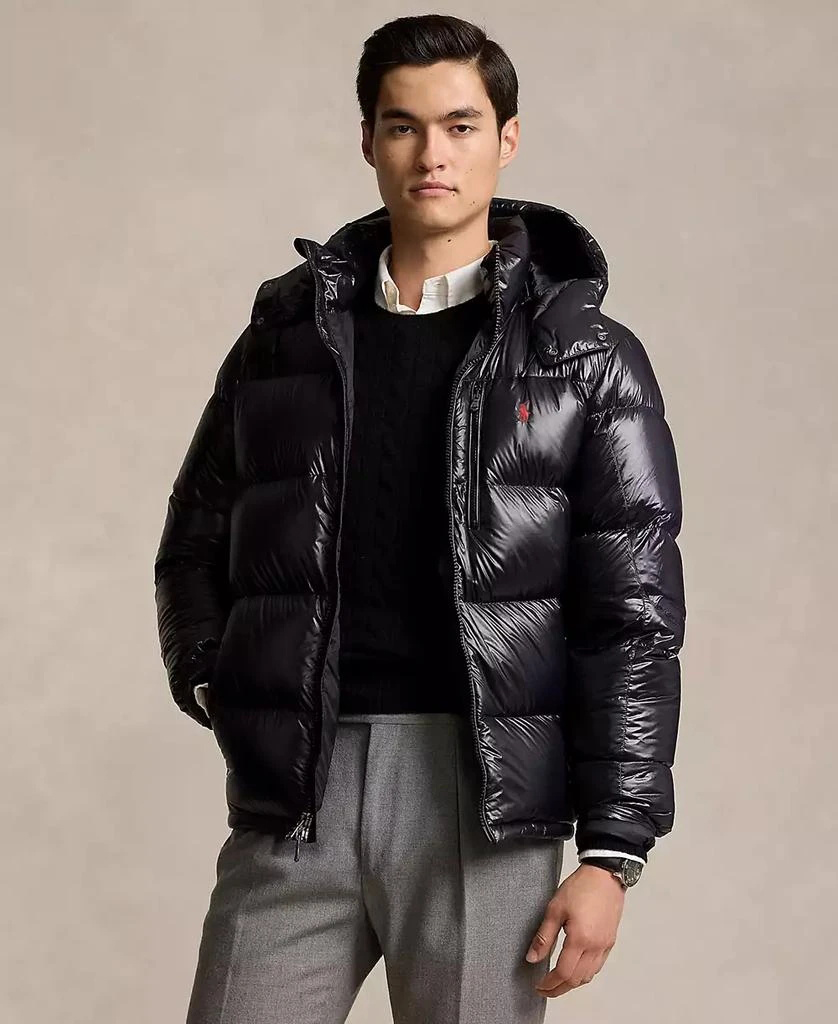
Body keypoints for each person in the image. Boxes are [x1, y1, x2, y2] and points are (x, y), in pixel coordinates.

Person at [154, 13, 687, 1023]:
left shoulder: (585, 357)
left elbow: (634, 616)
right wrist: (222, 678)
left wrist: (613, 850)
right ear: (368, 140)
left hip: (483, 796)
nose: (431, 154)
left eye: (460, 125)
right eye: (402, 126)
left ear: (507, 138)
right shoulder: (283, 342)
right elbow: (193, 540)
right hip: (297, 789)